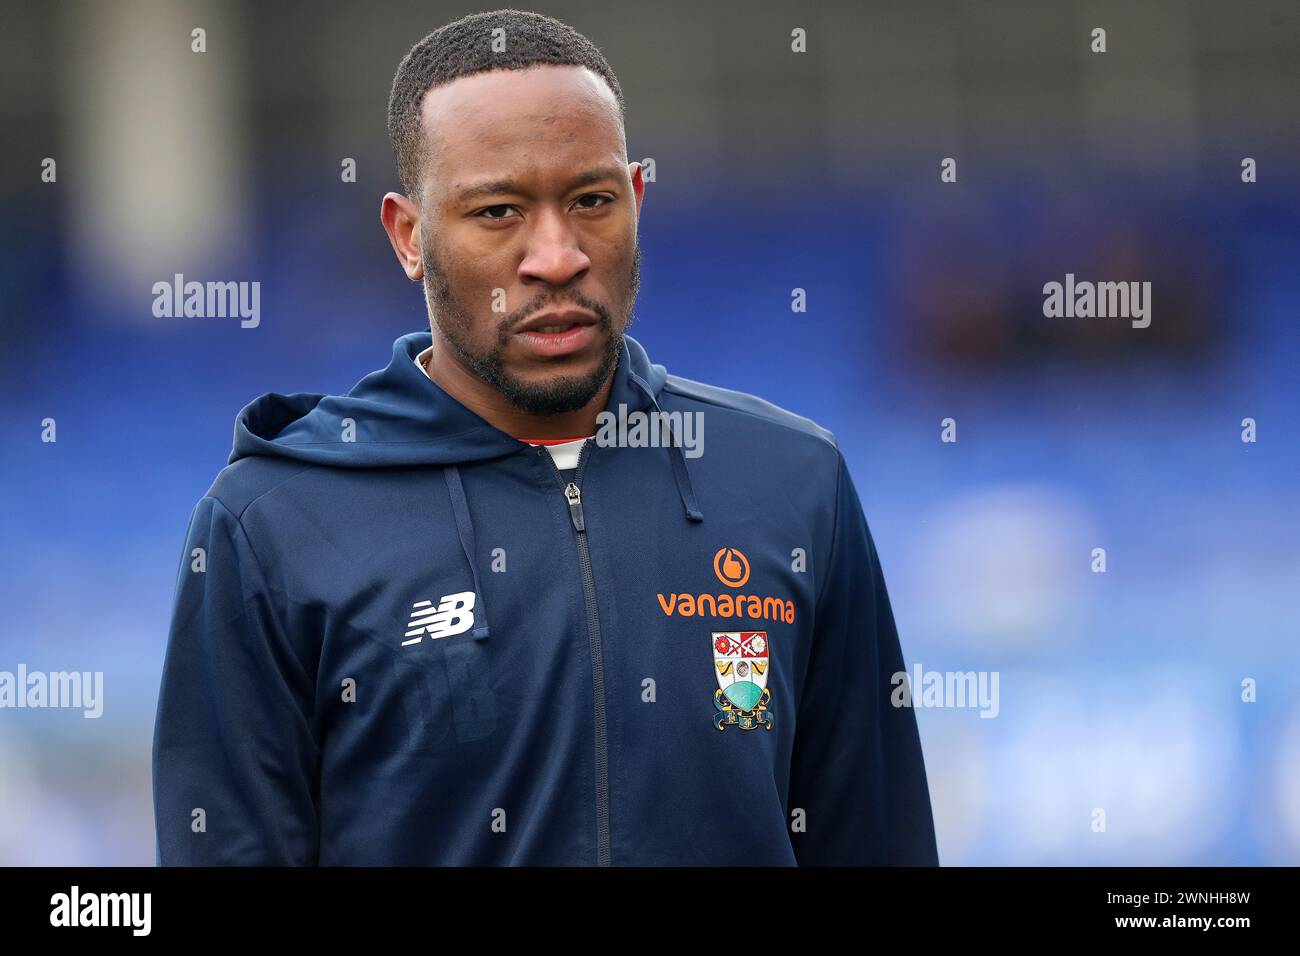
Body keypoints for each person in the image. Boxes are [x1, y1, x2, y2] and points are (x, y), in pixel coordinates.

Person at [152, 8, 938, 866]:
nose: (557, 255)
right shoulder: (273, 524)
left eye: (591, 200)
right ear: (410, 237)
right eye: (497, 211)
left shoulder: (792, 481)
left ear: (635, 199)